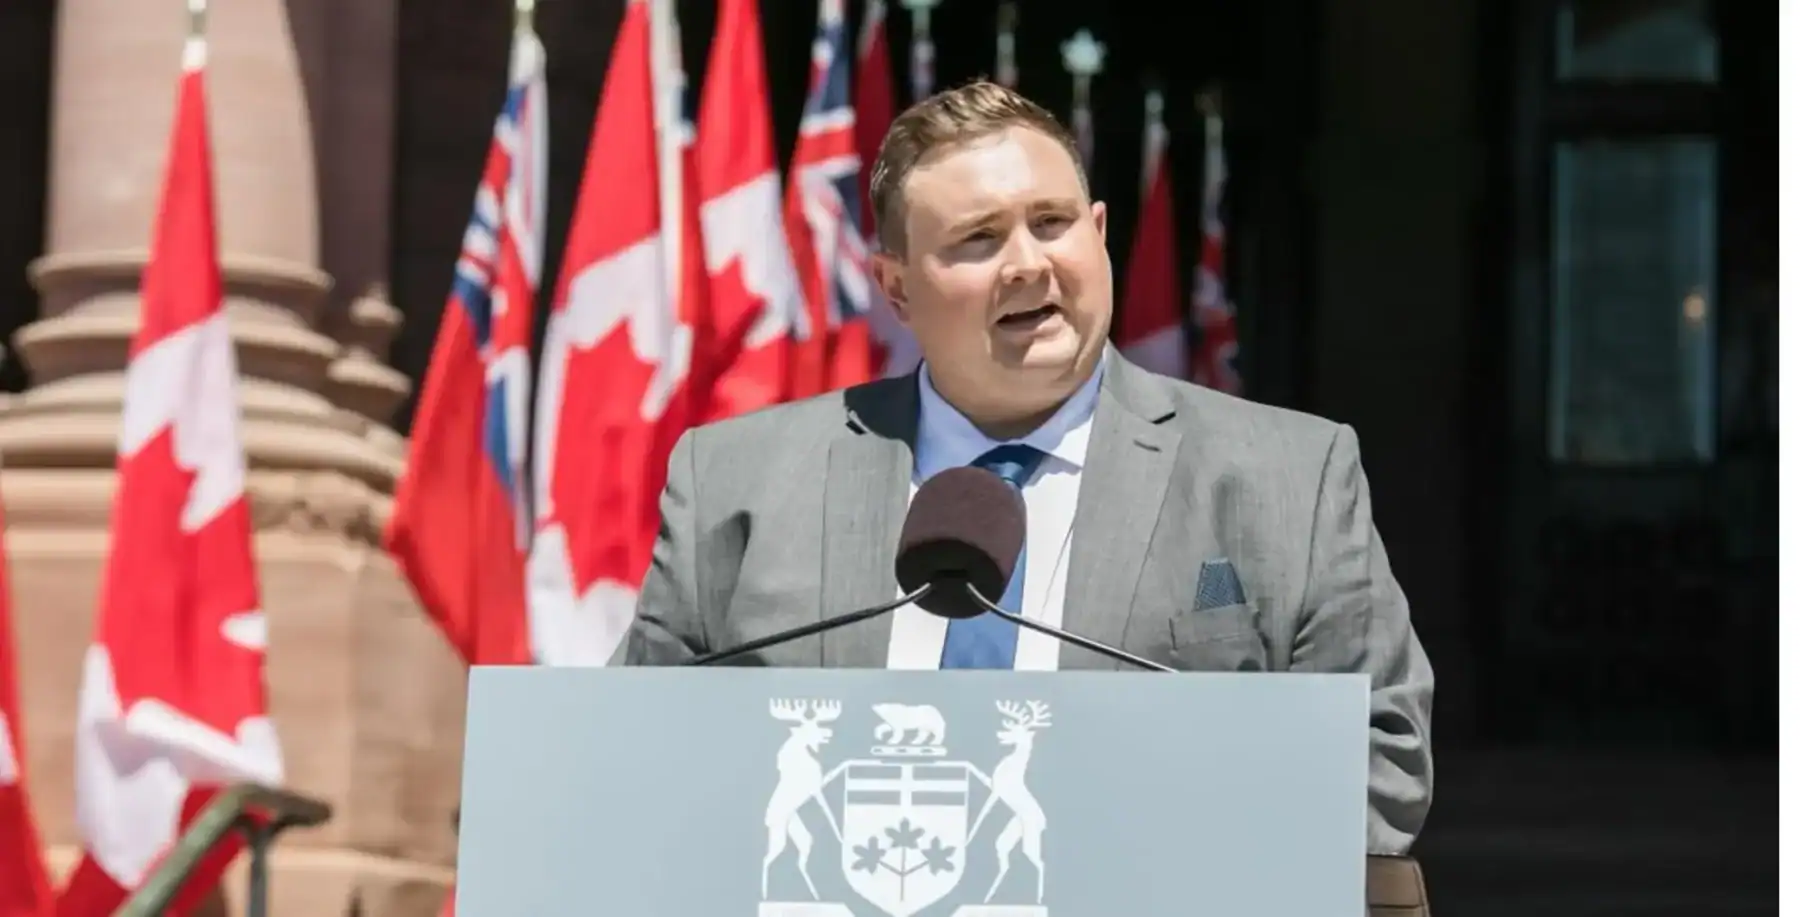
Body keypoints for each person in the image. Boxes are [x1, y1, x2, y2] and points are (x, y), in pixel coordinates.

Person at [619, 80, 1433, 854]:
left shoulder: (1289, 476)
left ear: (1101, 234)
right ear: (896, 289)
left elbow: (1379, 758)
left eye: (1052, 222)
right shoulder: (737, 484)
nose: (1028, 265)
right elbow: (631, 758)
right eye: (978, 238)